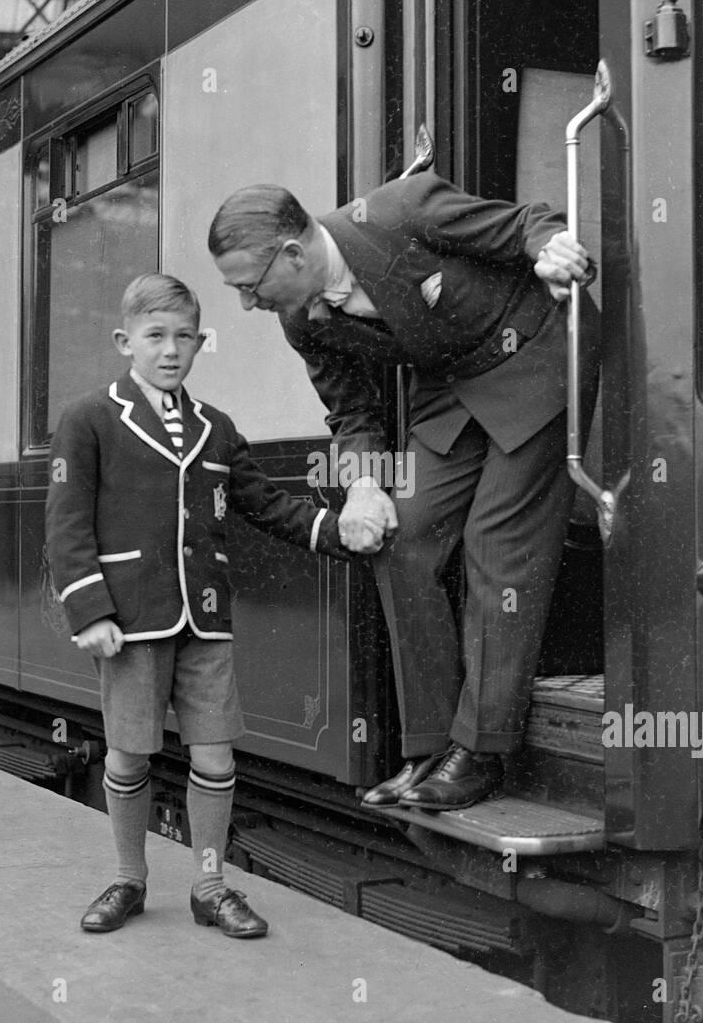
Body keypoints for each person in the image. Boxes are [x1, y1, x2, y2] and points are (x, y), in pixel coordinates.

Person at [208, 171, 600, 811]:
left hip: (535, 356)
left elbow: (524, 222)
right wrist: (363, 486)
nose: (248, 305)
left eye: (250, 286)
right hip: (449, 393)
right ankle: (429, 746)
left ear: (294, 255)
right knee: (400, 540)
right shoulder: (301, 320)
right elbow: (352, 413)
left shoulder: (400, 210)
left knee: (495, 544)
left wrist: (550, 246)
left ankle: (482, 750)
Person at [45, 273, 349, 937]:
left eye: (185, 336)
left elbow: (264, 503)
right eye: (156, 336)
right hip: (128, 622)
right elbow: (67, 525)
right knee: (128, 758)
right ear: (126, 341)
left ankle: (210, 887)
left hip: (205, 620)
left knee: (216, 758)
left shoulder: (216, 427)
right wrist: (89, 609)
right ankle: (129, 877)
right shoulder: (89, 419)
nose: (171, 349)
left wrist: (333, 530)